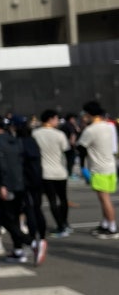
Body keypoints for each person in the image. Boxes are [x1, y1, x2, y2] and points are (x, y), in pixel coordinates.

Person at [0, 114, 28, 263]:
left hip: (5, 185)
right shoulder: (14, 139)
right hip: (19, 183)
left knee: (3, 218)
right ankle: (18, 250)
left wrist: (2, 184)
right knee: (14, 217)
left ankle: (30, 242)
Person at [78, 101, 118, 237]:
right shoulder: (108, 126)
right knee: (104, 198)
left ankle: (112, 227)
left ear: (89, 114)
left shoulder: (91, 130)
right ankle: (105, 224)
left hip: (99, 168)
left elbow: (81, 147)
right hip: (110, 166)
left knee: (105, 199)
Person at [12, 115, 48, 266]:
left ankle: (35, 240)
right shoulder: (32, 140)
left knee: (30, 210)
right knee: (37, 209)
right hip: (37, 179)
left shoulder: (20, 142)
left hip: (27, 181)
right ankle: (41, 238)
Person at [32, 109, 71, 237]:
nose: (58, 121)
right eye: (56, 119)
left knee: (52, 200)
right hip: (60, 172)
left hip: (45, 172)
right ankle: (65, 223)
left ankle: (60, 226)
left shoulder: (35, 134)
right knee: (63, 199)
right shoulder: (59, 134)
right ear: (51, 119)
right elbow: (66, 149)